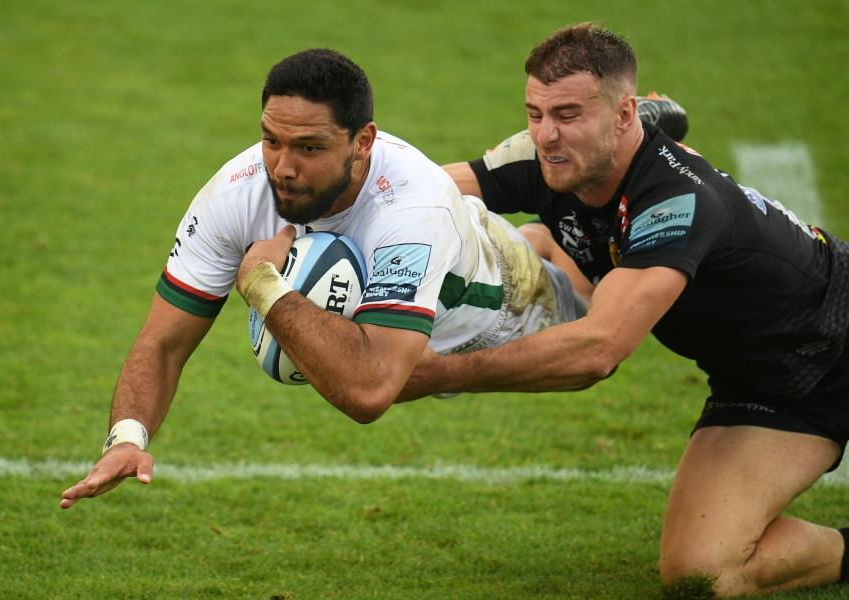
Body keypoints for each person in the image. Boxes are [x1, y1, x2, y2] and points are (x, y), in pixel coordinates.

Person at [405, 22, 849, 597]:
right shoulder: (549, 160)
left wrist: (438, 374)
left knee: (580, 270)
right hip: (766, 384)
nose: (545, 135)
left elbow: (599, 350)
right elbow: (417, 196)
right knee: (701, 575)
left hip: (840, 333)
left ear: (623, 114)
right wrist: (292, 229)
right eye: (535, 113)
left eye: (567, 114)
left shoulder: (678, 201)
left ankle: (564, 225)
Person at [59, 49, 588, 510]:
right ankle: (541, 220)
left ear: (363, 142)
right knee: (529, 240)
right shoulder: (236, 194)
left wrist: (264, 286)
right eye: (271, 141)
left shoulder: (412, 211)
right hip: (439, 256)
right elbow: (163, 342)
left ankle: (605, 170)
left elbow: (369, 389)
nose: (282, 168)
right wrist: (126, 437)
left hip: (501, 295)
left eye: (309, 148)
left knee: (581, 304)